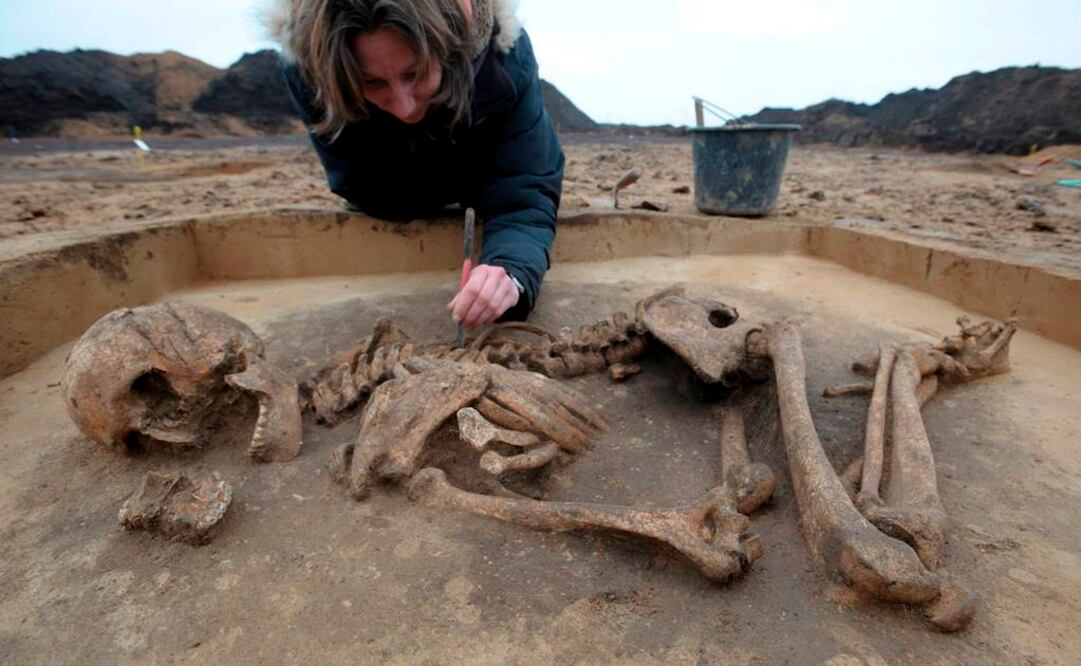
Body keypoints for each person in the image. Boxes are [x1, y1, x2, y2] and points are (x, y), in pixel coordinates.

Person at [268, 0, 564, 328]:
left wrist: (512, 273)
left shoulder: (504, 61)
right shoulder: (309, 68)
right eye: (372, 83)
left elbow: (524, 193)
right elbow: (359, 183)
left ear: (451, 47)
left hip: (477, 164)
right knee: (382, 199)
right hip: (380, 192)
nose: (404, 106)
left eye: (415, 73)